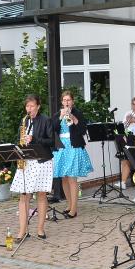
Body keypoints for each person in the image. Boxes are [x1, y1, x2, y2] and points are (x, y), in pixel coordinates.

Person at [11, 95, 54, 240]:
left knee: (41, 195)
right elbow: (19, 139)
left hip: (42, 161)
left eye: (32, 106)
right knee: (24, 196)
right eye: (27, 106)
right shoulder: (24, 121)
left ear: (38, 106)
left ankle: (40, 229)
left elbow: (51, 141)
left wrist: (34, 139)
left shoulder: (46, 120)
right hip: (27, 162)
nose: (29, 109)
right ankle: (23, 230)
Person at [52, 90, 93, 218]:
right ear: (62, 102)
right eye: (64, 100)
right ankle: (69, 205)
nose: (66, 102)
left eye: (68, 100)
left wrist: (73, 118)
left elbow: (82, 130)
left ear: (72, 101)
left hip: (73, 146)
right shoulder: (58, 114)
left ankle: (74, 209)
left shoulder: (77, 113)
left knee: (72, 178)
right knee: (64, 177)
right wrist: (60, 117)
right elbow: (52, 128)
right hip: (62, 148)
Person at [117, 97, 135, 189]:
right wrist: (127, 122)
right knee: (125, 160)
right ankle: (123, 182)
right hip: (127, 137)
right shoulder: (128, 113)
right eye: (133, 104)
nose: (134, 106)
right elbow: (123, 127)